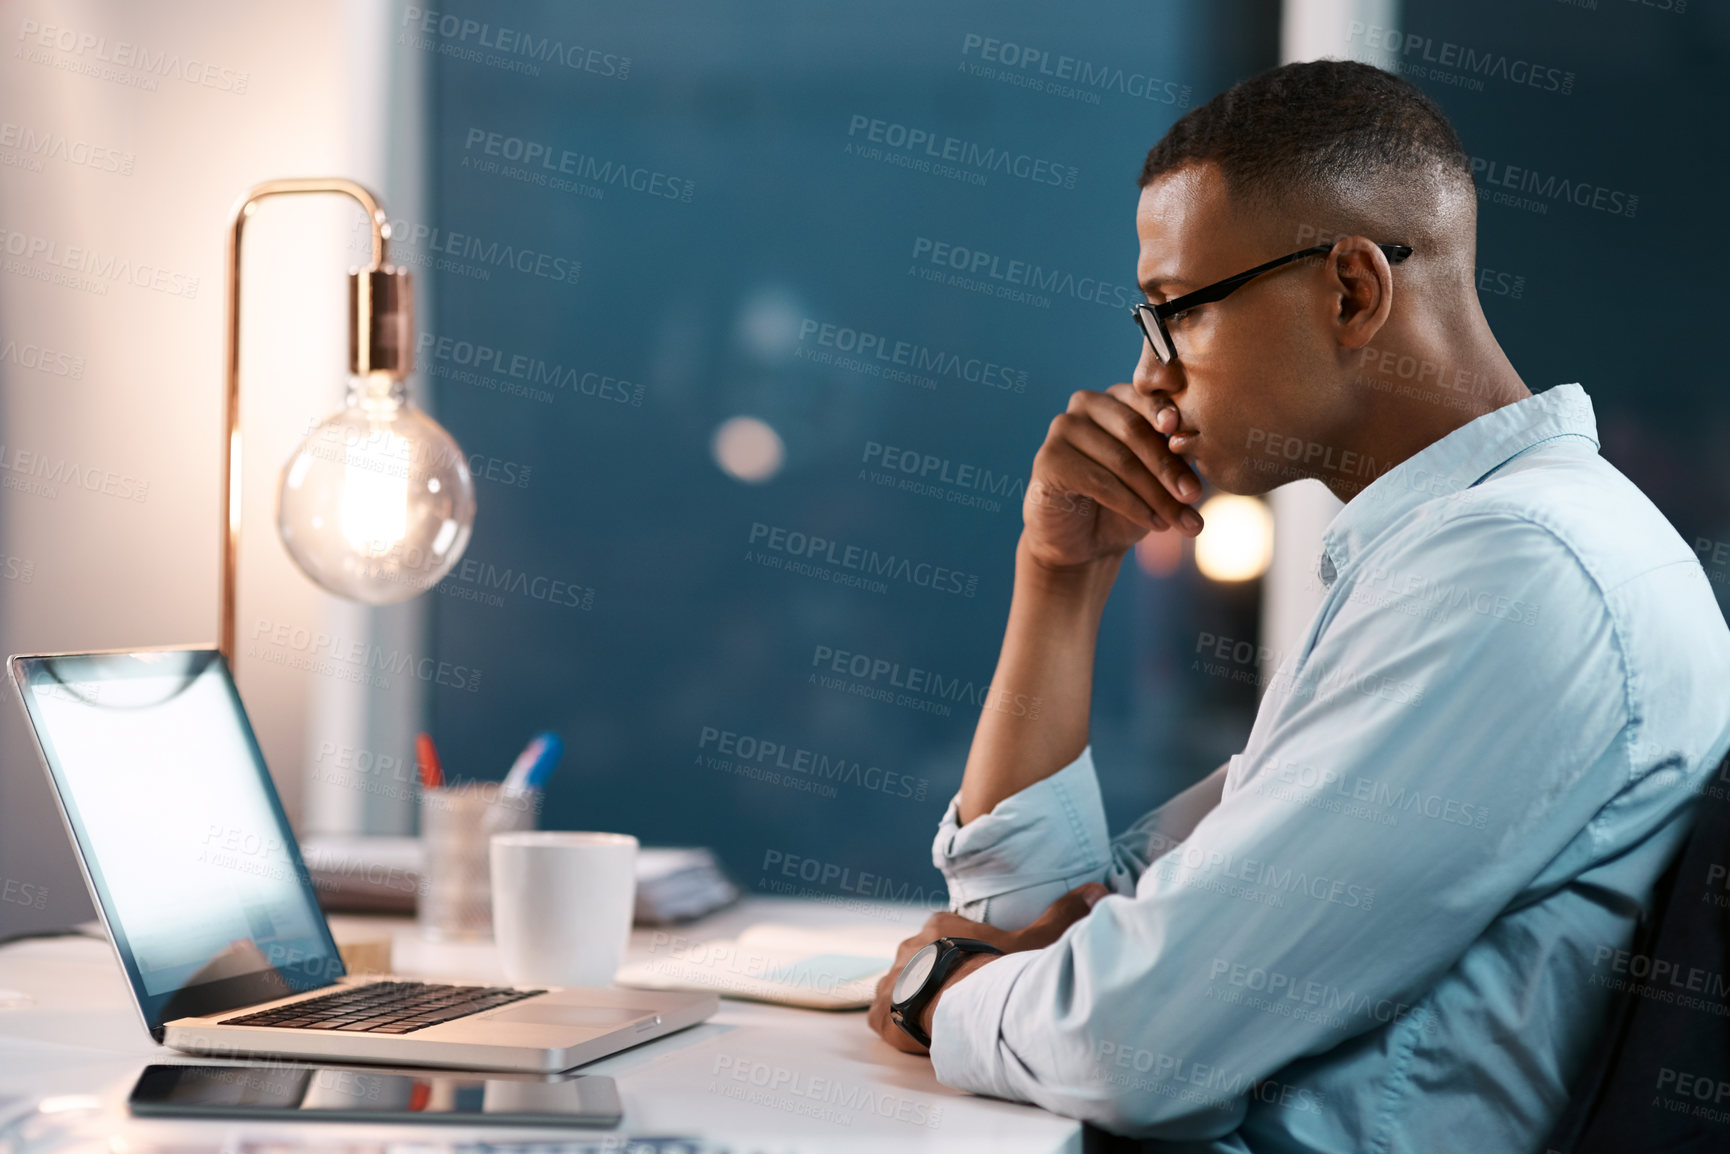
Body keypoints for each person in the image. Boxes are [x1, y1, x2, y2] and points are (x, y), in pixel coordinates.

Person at [864, 58, 1730, 1151]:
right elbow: (1048, 915)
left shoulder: (1514, 577)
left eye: (1175, 311)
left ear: (1350, 290)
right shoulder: (1442, 556)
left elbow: (1130, 1045)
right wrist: (1062, 577)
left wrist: (936, 994)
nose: (1148, 376)